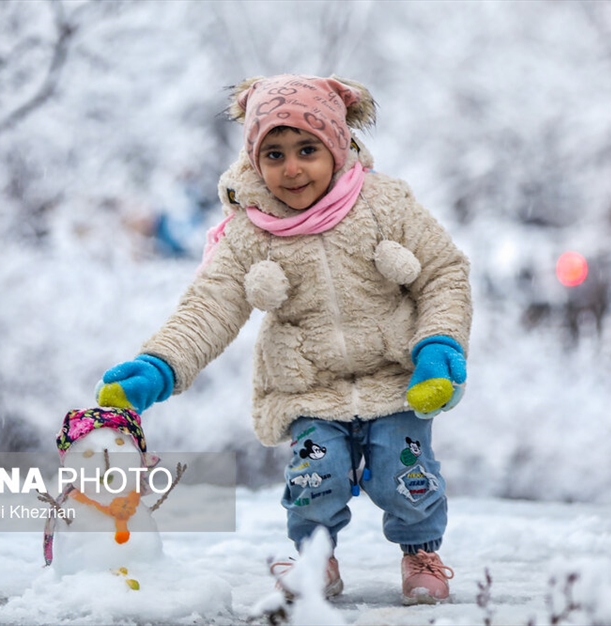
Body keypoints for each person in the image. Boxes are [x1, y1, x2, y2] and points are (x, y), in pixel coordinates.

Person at [95, 74, 472, 605]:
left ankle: (421, 551)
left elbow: (443, 272)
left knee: (403, 474)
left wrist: (438, 345)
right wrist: (161, 363)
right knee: (314, 479)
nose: (292, 168)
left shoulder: (386, 204)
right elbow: (212, 304)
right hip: (308, 385)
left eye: (307, 150)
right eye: (274, 153)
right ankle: (316, 557)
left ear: (337, 148)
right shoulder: (251, 232)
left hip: (395, 378)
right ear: (255, 160)